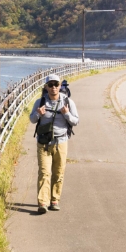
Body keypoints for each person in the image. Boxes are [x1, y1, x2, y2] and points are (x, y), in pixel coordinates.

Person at [29, 74, 79, 213]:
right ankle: (43, 203)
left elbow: (76, 121)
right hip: (43, 143)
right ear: (46, 87)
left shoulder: (68, 102)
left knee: (58, 173)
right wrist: (38, 114)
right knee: (44, 173)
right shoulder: (40, 102)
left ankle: (54, 200)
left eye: (56, 84)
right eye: (50, 85)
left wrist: (67, 114)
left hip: (61, 142)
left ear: (60, 86)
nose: (53, 88)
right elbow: (32, 120)